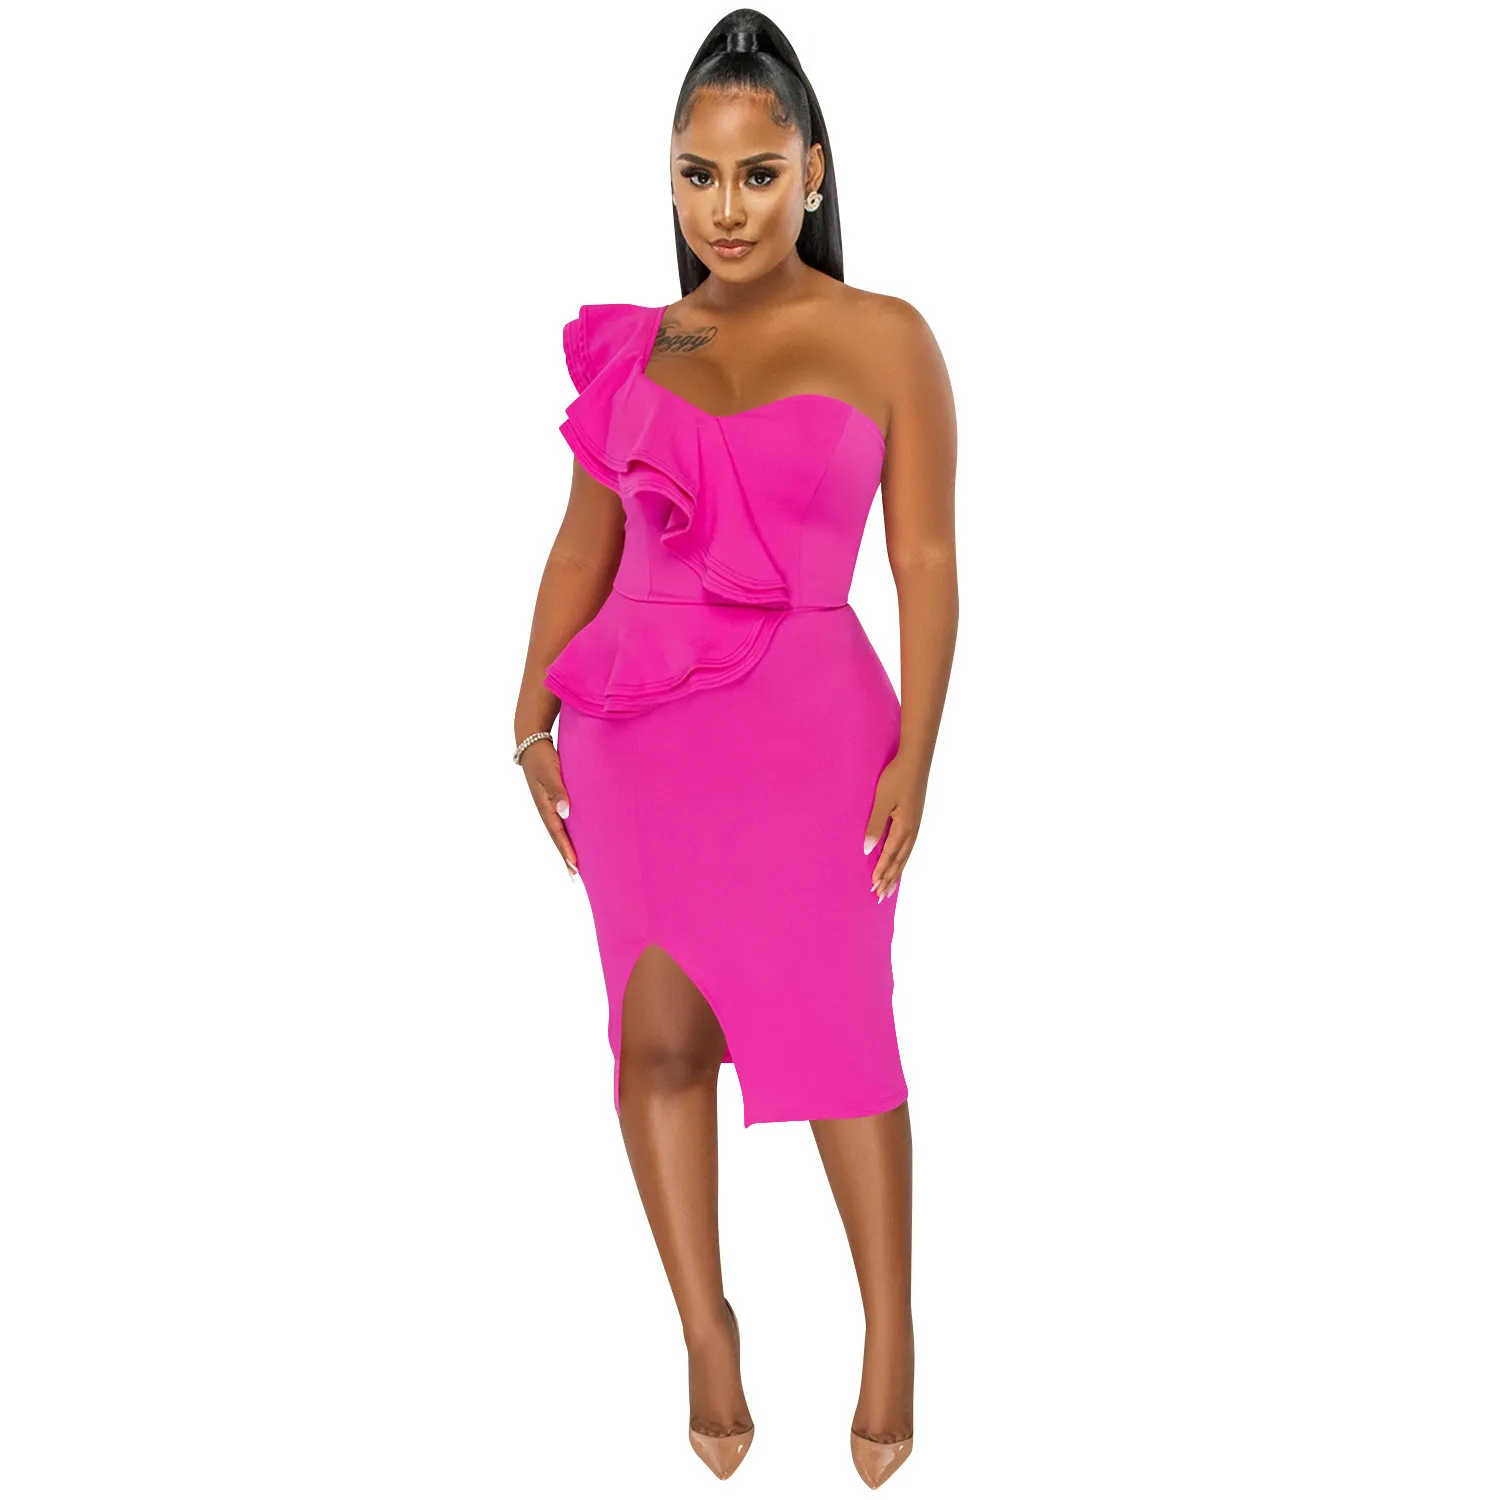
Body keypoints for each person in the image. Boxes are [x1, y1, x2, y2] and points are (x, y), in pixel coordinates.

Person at [513, 10, 957, 1488]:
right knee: (655, 1039)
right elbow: (583, 545)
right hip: (637, 734)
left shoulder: (886, 336)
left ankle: (889, 1333)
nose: (728, 208)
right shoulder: (644, 348)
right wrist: (527, 713)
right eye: (697, 176)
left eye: (759, 174)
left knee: (842, 1039)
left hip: (817, 735)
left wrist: (920, 752)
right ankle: (706, 1330)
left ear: (813, 171)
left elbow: (928, 562)